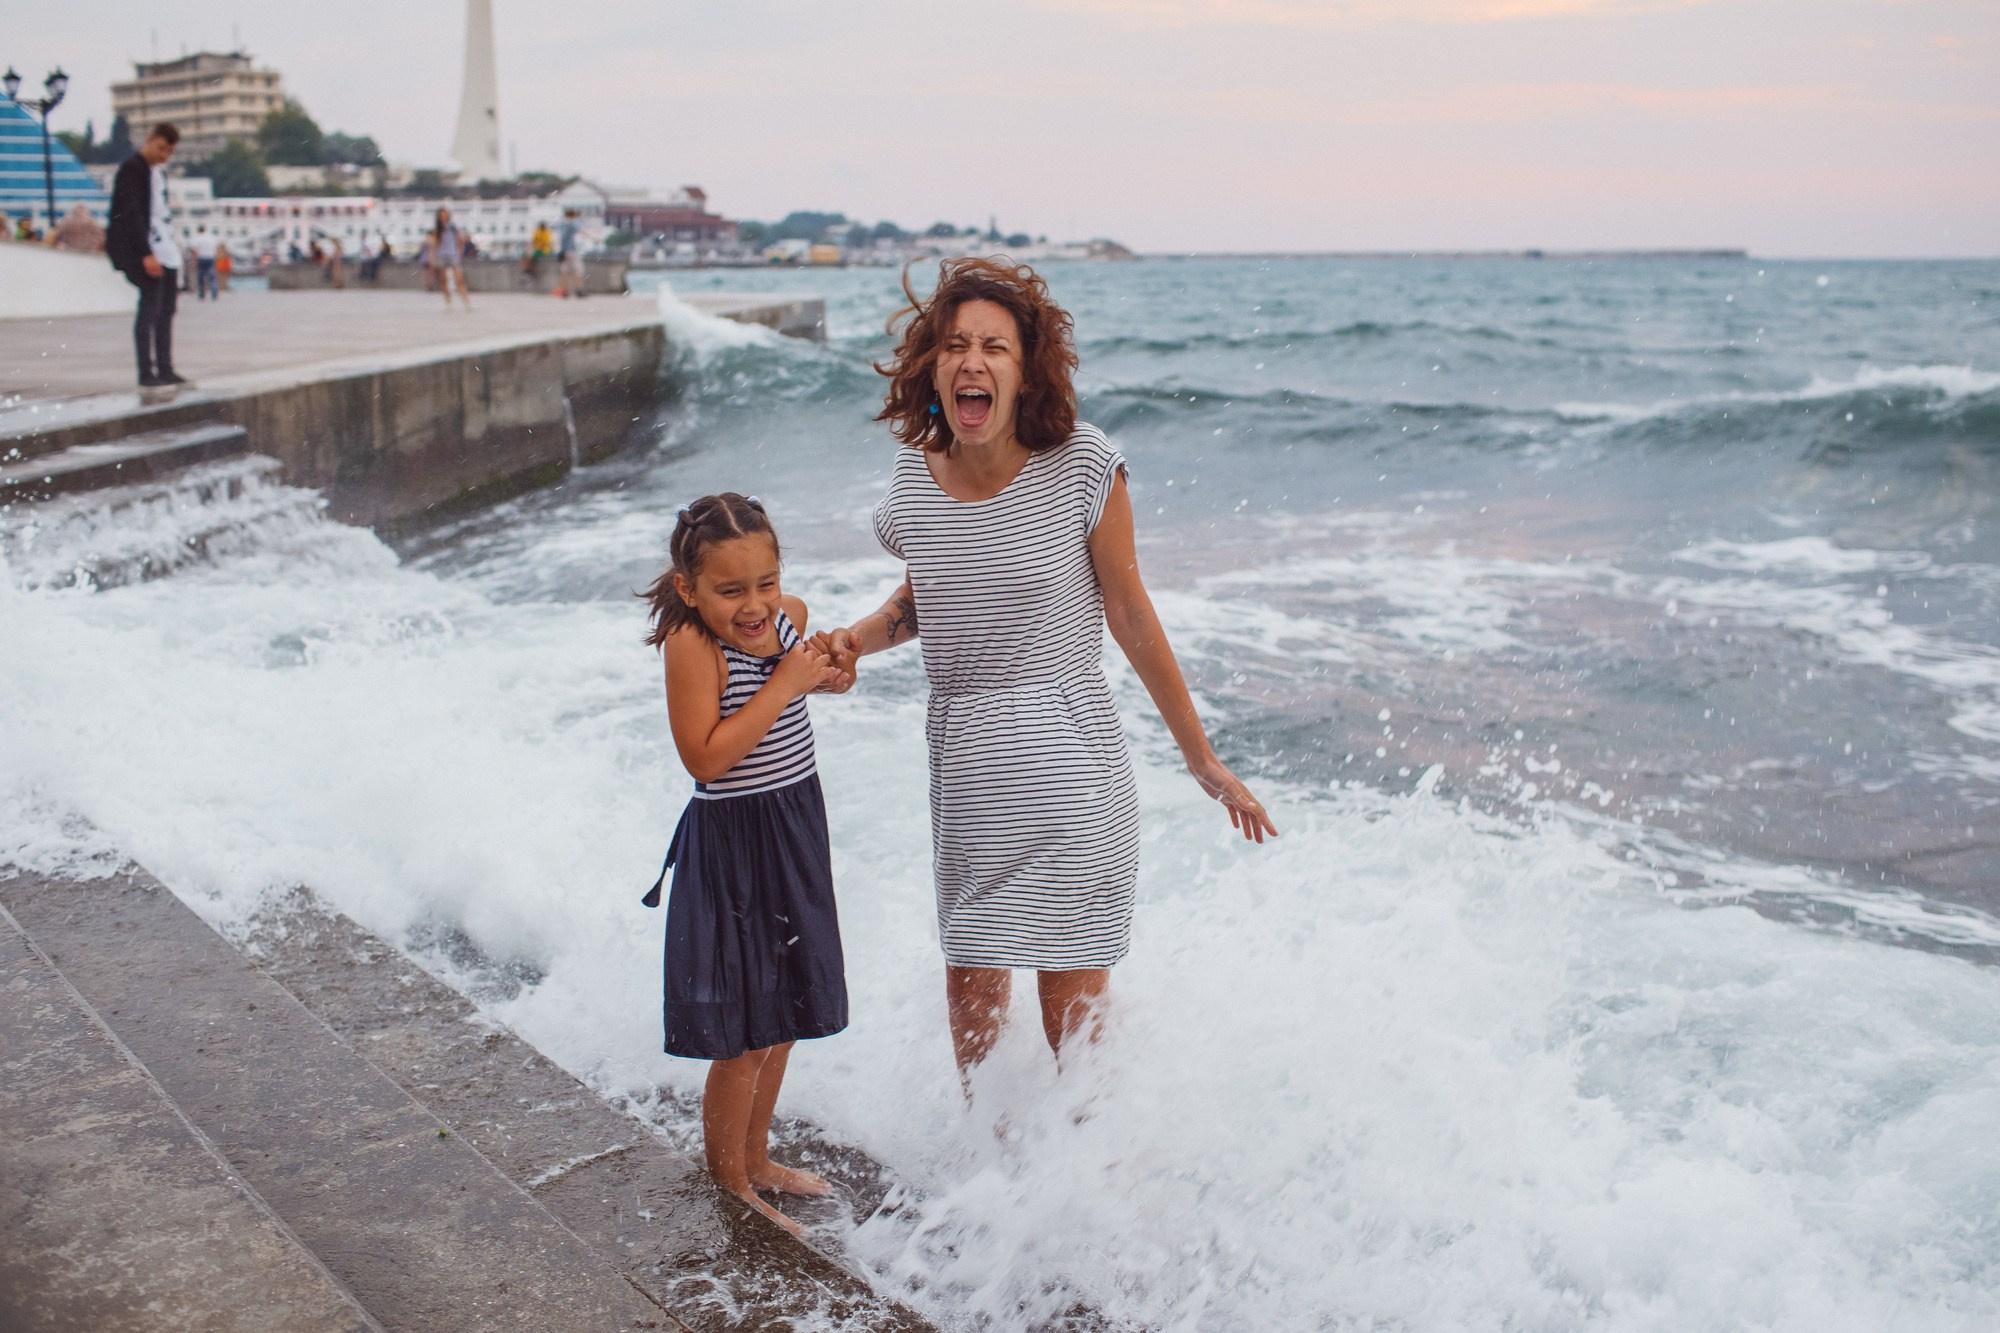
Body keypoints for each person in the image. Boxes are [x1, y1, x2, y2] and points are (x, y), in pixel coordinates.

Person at [816, 258, 1277, 1085]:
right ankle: (988, 1160)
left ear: (1026, 371)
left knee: (1071, 1010)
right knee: (970, 995)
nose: (973, 361)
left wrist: (1201, 757)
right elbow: (925, 598)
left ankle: (1087, 1162)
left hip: (1070, 760)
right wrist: (853, 640)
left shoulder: (1082, 465)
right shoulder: (914, 479)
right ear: (933, 367)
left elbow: (1130, 612)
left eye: (995, 346)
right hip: (967, 769)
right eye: (956, 344)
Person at [639, 493, 851, 1236]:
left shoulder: (788, 614)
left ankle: (756, 1158)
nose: (755, 605)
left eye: (766, 582)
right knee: (746, 1029)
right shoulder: (690, 644)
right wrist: (787, 682)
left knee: (786, 1012)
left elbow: (802, 685)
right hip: (734, 843)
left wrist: (829, 675)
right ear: (689, 588)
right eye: (731, 590)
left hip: (794, 824)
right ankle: (730, 1182)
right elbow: (705, 758)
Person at [105, 122, 188, 388]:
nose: (164, 155)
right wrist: (146, 252)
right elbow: (130, 213)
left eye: (169, 151)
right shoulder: (132, 169)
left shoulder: (157, 174)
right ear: (150, 140)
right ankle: (146, 372)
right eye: (161, 148)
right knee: (150, 309)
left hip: (166, 249)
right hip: (147, 249)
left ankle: (165, 368)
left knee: (166, 311)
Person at [431, 207, 471, 310]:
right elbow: (434, 245)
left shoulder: (453, 228)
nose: (443, 217)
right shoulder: (437, 230)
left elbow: (460, 241)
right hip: (441, 255)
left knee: (459, 280)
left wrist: (459, 253)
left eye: (445, 215)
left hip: (453, 255)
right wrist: (432, 258)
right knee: (444, 281)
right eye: (441, 216)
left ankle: (466, 301)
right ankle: (448, 301)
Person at [557, 208, 585, 298]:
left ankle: (564, 291)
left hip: (563, 251)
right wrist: (594, 238)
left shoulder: (561, 224)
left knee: (564, 271)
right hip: (572, 250)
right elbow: (581, 230)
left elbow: (561, 238)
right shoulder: (572, 223)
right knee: (579, 270)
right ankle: (579, 290)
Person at [187, 225, 220, 299]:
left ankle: (202, 294)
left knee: (201, 277)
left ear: (198, 230)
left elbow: (194, 251)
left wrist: (194, 262)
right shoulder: (211, 237)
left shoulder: (196, 238)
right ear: (205, 229)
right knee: (212, 276)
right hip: (210, 258)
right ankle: (214, 292)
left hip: (201, 258)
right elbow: (216, 249)